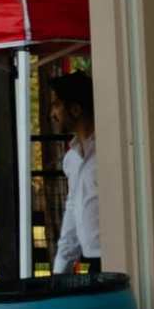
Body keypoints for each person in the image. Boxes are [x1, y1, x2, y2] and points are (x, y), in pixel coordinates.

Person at [48, 72, 101, 274]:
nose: (52, 113)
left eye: (57, 105)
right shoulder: (72, 158)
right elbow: (73, 208)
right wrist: (61, 268)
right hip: (94, 263)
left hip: (120, 258)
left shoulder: (108, 152)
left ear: (76, 109)